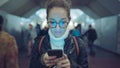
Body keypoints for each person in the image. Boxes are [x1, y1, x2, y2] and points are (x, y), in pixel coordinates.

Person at [30, 0, 88, 68]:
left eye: (62, 23)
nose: (57, 28)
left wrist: (71, 66)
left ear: (69, 20)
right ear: (47, 20)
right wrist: (42, 61)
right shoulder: (38, 43)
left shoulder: (79, 44)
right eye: (52, 22)